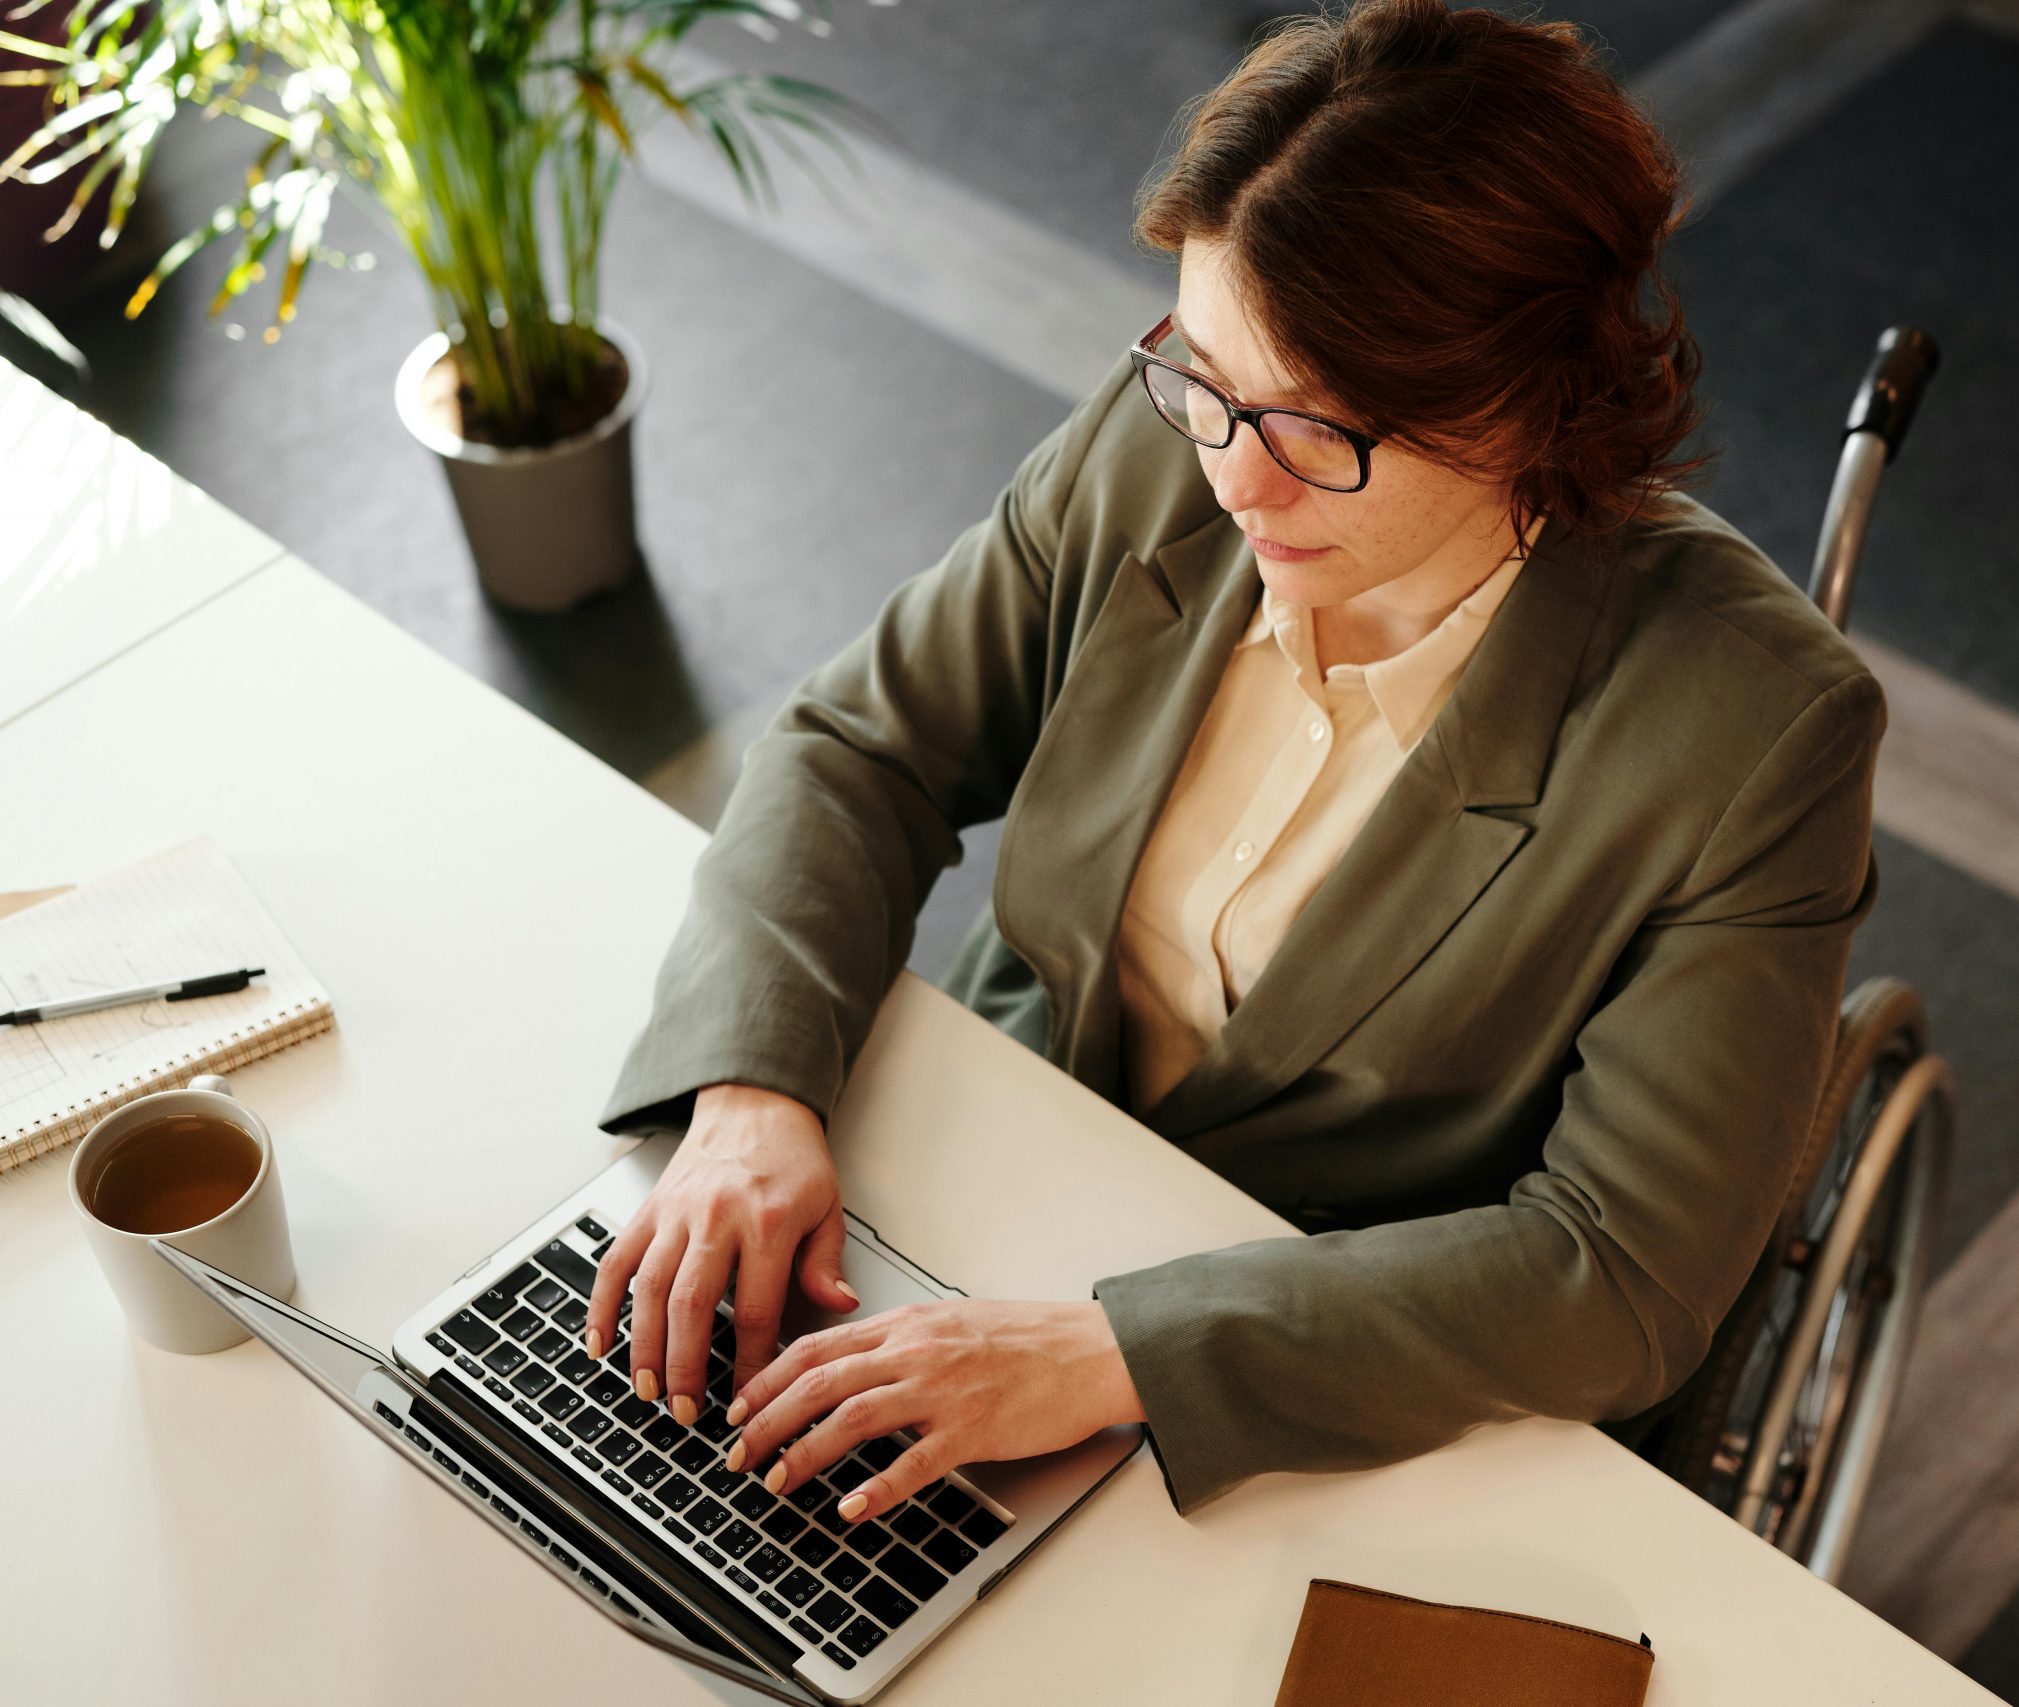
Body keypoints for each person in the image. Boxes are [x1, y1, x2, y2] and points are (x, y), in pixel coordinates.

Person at [585, 0, 1886, 1530]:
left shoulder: (1758, 735)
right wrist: (752, 1096)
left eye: (1322, 427)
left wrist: (1120, 1348)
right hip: (1001, 1161)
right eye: (1204, 373)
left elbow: (1618, 1273)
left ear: (1535, 397)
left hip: (1334, 1341)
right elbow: (862, 745)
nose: (1235, 475)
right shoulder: (1171, 445)